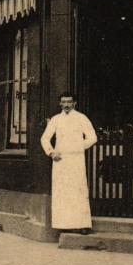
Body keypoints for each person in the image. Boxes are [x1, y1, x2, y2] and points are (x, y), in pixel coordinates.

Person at [40, 91, 98, 235]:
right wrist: (51, 152)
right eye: (64, 102)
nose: (66, 105)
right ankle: (63, 225)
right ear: (60, 103)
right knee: (62, 192)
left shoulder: (81, 118)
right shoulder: (55, 119)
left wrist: (77, 146)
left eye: (69, 102)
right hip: (60, 161)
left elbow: (92, 137)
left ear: (74, 103)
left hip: (76, 159)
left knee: (78, 190)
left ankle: (82, 224)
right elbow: (45, 138)